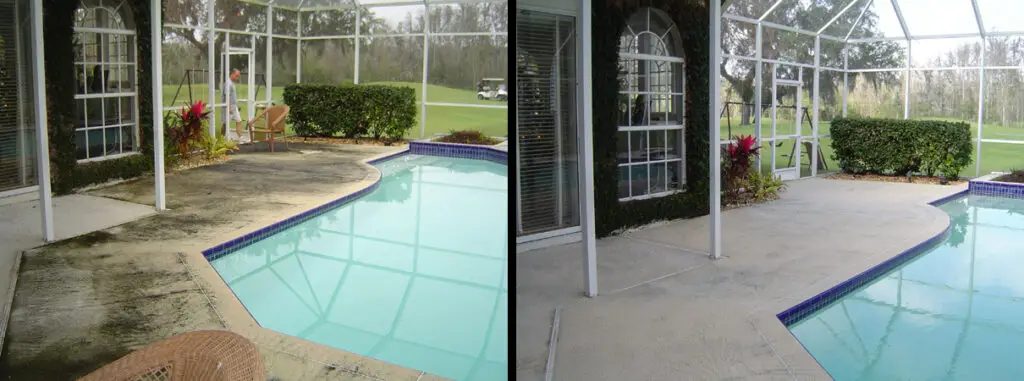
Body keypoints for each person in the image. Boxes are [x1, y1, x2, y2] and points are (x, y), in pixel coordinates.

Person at [223, 69, 248, 142]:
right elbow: (227, 95)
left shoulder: (232, 83)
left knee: (239, 121)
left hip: (234, 106)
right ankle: (223, 138)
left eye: (238, 76)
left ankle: (241, 137)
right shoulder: (228, 83)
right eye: (236, 76)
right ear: (232, 74)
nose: (237, 78)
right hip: (229, 106)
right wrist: (229, 107)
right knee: (225, 123)